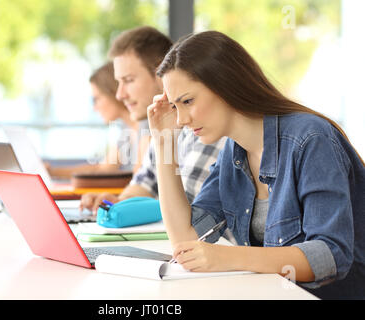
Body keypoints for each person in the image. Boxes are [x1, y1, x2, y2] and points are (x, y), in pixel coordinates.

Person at [148, 30, 365, 300]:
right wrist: (164, 142)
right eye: (174, 106)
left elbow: (330, 255)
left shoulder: (310, 139)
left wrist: (228, 257)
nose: (180, 119)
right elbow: (187, 243)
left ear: (225, 85)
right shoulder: (233, 152)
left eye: (188, 101)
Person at [79, 26, 226, 218]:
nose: (119, 94)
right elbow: (143, 184)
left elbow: (189, 213)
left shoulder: (201, 127)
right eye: (119, 82)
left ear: (160, 72)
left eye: (129, 80)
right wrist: (117, 203)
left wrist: (128, 207)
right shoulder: (163, 128)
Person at [47, 61, 145, 179]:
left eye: (97, 99)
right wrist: (52, 172)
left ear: (113, 93)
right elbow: (103, 169)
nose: (95, 108)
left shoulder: (146, 127)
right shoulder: (127, 130)